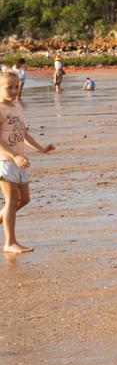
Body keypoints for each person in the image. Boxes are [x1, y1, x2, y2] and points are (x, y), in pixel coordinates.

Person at [0, 70, 56, 253]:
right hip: (5, 161)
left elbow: (23, 133)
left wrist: (40, 148)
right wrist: (14, 156)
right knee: (11, 200)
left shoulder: (16, 107)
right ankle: (10, 243)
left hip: (19, 161)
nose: (14, 90)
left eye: (16, 87)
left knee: (24, 199)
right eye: (9, 87)